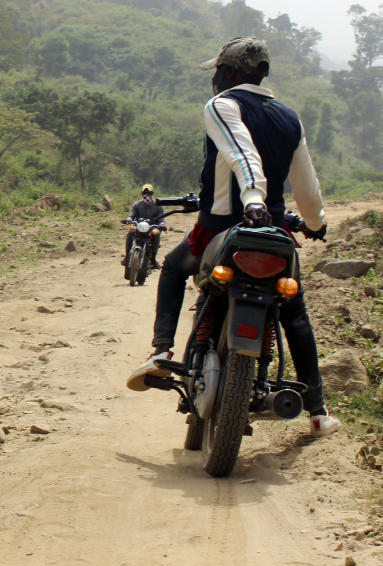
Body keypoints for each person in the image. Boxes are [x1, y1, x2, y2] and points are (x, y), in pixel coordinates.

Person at [125, 37, 340, 436]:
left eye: (220, 71)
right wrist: (314, 222)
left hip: (222, 229)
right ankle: (318, 411)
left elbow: (242, 153)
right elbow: (307, 186)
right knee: (295, 315)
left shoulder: (222, 106)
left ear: (230, 72)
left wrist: (253, 196)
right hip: (274, 232)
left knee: (172, 269)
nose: (217, 78)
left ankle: (161, 352)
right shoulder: (290, 118)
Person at [123, 184, 164, 270]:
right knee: (131, 232)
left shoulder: (158, 205)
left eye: (148, 193)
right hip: (139, 226)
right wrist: (128, 219)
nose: (146, 195)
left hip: (152, 227)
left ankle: (153, 260)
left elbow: (161, 218)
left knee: (156, 234)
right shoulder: (137, 204)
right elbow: (132, 215)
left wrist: (162, 225)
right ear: (142, 194)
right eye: (145, 193)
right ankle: (127, 257)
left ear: (152, 193)